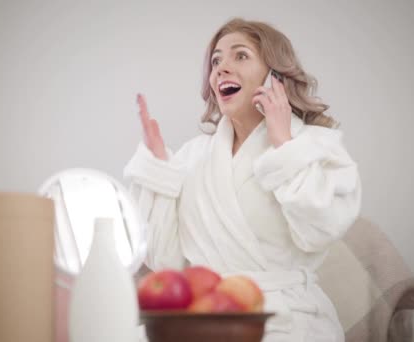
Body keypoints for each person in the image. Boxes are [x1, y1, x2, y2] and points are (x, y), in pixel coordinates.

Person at [124, 17, 361, 342]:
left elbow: (319, 232)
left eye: (240, 55)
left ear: (275, 75)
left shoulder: (315, 145)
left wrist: (284, 145)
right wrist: (158, 167)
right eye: (216, 60)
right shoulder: (193, 156)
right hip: (204, 316)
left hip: (287, 319)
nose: (221, 68)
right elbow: (165, 259)